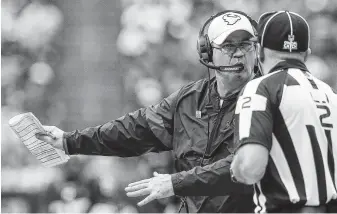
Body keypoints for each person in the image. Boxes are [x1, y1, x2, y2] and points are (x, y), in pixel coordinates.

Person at [37, 10, 259, 213]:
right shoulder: (188, 101)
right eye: (229, 46)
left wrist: (175, 183)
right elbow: (134, 130)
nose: (239, 54)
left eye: (246, 45)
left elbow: (242, 166)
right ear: (208, 51)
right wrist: (69, 141)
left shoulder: (267, 98)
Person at [230, 10, 337, 213]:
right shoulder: (331, 94)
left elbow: (250, 168)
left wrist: (237, 168)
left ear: (259, 50)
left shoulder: (261, 88)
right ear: (306, 54)